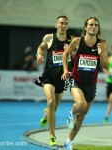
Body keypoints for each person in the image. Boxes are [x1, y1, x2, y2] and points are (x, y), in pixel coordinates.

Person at [61, 17, 109, 150]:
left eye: (96, 25)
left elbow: (106, 65)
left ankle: (68, 142)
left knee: (81, 116)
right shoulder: (77, 41)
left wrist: (101, 55)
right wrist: (66, 70)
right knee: (80, 105)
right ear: (86, 27)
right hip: (76, 81)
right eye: (91, 25)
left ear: (98, 28)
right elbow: (65, 55)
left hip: (91, 85)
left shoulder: (102, 44)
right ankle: (72, 112)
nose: (93, 27)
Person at [35, 15, 73, 147]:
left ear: (67, 26)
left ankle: (47, 114)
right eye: (61, 23)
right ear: (56, 24)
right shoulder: (49, 38)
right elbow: (41, 48)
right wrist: (39, 55)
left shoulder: (71, 40)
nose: (63, 25)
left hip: (62, 79)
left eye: (65, 23)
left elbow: (76, 55)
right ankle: (52, 136)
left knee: (53, 108)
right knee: (50, 102)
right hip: (49, 77)